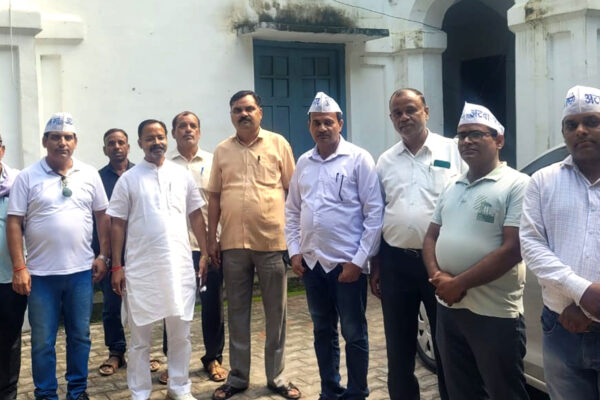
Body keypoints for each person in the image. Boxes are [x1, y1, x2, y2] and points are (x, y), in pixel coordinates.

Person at [422, 102, 530, 400]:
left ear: (499, 140)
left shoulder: (518, 185)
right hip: (449, 308)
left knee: (504, 391)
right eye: (462, 135)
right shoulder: (452, 185)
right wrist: (438, 278)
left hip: (494, 313)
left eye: (476, 134)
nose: (466, 141)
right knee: (461, 390)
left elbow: (513, 249)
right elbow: (430, 236)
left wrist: (458, 283)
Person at [285, 92, 383, 400]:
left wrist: (359, 261)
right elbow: (292, 210)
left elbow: (374, 213)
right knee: (322, 331)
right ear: (309, 126)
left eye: (328, 122)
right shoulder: (304, 162)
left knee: (353, 333)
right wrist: (294, 251)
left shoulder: (359, 158)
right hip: (313, 266)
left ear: (340, 124)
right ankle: (330, 390)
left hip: (347, 266)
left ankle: (357, 392)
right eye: (316, 123)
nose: (322, 128)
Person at [6, 112, 110, 400]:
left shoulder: (89, 174)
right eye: (55, 137)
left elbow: (103, 216)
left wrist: (104, 255)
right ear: (45, 141)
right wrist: (19, 267)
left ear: (75, 142)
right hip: (40, 276)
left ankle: (77, 391)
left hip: (81, 273)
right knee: (42, 342)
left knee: (80, 336)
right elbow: (14, 222)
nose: (62, 142)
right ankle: (45, 394)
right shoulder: (27, 177)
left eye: (67, 137)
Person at [370, 88, 464, 400]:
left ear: (426, 111)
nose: (404, 117)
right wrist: (377, 264)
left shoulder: (453, 151)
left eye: (411, 110)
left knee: (446, 345)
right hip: (396, 262)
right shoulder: (385, 160)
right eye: (397, 113)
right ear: (391, 118)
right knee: (398, 346)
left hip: (441, 262)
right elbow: (378, 212)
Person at [207, 90, 299, 400]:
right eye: (237, 110)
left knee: (276, 315)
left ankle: (277, 376)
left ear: (260, 111)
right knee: (237, 313)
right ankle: (238, 377)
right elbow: (214, 196)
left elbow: (293, 192)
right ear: (231, 115)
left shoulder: (278, 144)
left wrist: (296, 239)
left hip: (272, 241)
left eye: (248, 108)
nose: (243, 114)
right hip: (233, 243)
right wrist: (212, 239)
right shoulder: (222, 150)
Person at [108, 119, 208, 400]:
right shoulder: (129, 179)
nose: (156, 142)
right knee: (140, 340)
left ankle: (179, 387)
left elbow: (196, 215)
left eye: (160, 137)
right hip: (141, 269)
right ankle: (140, 392)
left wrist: (205, 252)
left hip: (179, 266)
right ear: (140, 143)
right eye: (150, 138)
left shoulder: (181, 175)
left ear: (167, 139)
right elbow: (117, 224)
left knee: (180, 334)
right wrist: (117, 266)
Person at [520, 85, 600, 400]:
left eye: (591, 121)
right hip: (560, 328)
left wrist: (589, 310)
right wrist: (581, 292)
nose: (580, 130)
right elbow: (531, 244)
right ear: (564, 133)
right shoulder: (542, 181)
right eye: (571, 124)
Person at [159, 111, 226, 384]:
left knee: (212, 305)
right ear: (173, 132)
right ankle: (174, 361)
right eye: (182, 126)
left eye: (193, 126)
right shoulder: (164, 166)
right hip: (175, 247)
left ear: (199, 131)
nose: (188, 130)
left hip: (209, 246)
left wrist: (216, 241)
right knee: (174, 306)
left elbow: (220, 202)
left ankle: (213, 358)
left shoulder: (213, 162)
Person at [91, 128, 144, 376]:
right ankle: (116, 352)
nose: (116, 147)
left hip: (140, 250)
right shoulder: (97, 179)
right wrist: (103, 254)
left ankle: (143, 351)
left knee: (142, 304)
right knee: (112, 305)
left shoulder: (140, 174)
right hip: (110, 253)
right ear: (105, 149)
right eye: (111, 143)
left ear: (129, 147)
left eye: (121, 142)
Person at [0, 134, 26, 400]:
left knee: (9, 340)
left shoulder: (19, 182)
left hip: (10, 277)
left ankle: (7, 394)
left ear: (2, 151)